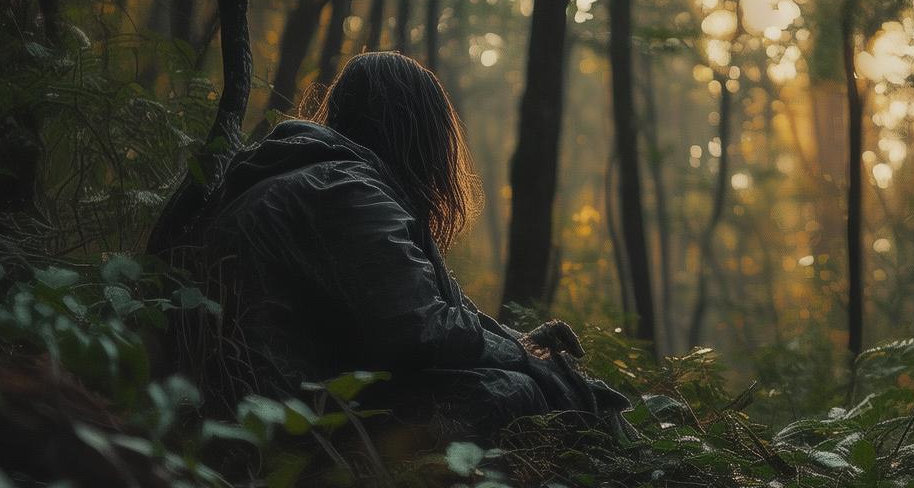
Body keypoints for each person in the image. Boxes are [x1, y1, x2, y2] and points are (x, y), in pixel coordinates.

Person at [151, 52, 630, 441]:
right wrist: (527, 362)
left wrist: (519, 344)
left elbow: (420, 314)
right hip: (275, 417)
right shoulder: (345, 190)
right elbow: (417, 330)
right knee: (511, 392)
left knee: (522, 380)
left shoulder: (313, 178)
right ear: (414, 132)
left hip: (250, 400)